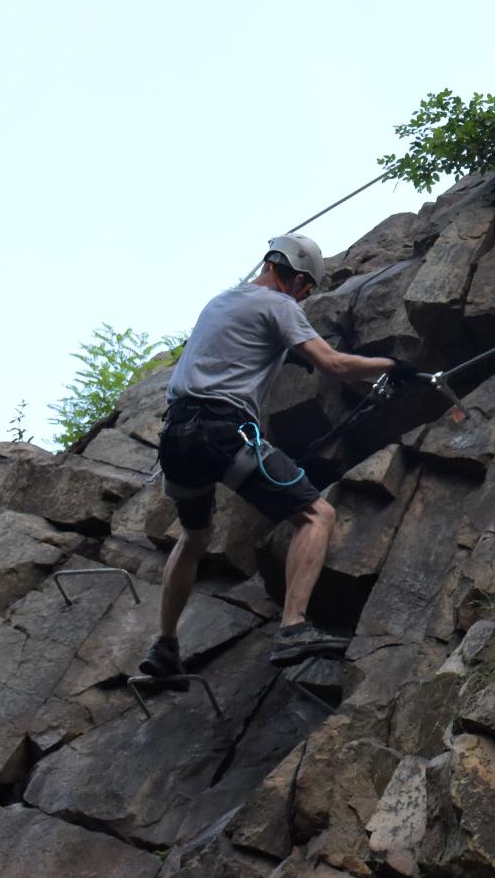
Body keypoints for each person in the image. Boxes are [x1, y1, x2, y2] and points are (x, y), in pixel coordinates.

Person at [139, 234, 413, 677]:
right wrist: (394, 367)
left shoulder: (221, 301)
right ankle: (293, 628)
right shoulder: (281, 306)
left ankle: (165, 645)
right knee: (316, 515)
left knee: (195, 536)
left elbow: (233, 352)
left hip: (176, 437)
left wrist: (285, 356)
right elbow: (335, 364)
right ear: (298, 278)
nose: (304, 299)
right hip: (221, 432)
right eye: (306, 290)